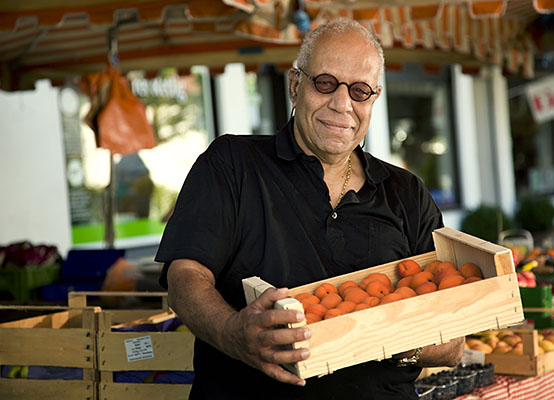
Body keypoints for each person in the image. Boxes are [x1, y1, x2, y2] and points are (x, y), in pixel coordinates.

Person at [156, 18, 464, 399]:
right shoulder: (232, 163)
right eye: (325, 83)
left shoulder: (407, 194)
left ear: (374, 99)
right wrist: (232, 332)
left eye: (360, 91)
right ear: (294, 85)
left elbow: (453, 342)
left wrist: (392, 338)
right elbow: (184, 276)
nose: (342, 104)